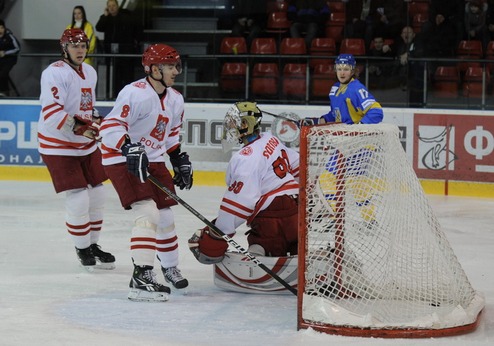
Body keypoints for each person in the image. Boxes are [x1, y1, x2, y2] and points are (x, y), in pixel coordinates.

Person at [99, 43, 193, 302]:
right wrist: (128, 146)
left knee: (165, 216)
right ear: (154, 68)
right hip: (120, 158)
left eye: (176, 66)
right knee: (147, 211)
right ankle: (141, 276)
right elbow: (110, 126)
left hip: (152, 158)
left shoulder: (176, 98)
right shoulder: (135, 93)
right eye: (170, 66)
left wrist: (177, 158)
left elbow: (171, 133)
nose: (176, 71)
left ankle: (170, 267)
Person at [37, 28, 115, 271]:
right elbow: (51, 114)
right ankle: (81, 248)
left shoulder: (89, 71)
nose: (80, 50)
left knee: (98, 194)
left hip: (84, 144)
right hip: (58, 144)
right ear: (64, 48)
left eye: (83, 46)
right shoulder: (54, 73)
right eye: (75, 46)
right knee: (79, 197)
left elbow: (86, 106)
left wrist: (95, 121)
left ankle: (92, 245)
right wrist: (82, 129)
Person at [188, 101, 299, 265]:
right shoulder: (270, 138)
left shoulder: (246, 158)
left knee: (262, 244)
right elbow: (296, 164)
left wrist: (218, 232)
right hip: (296, 209)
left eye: (233, 121)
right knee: (296, 242)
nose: (229, 125)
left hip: (270, 215)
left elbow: (241, 201)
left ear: (246, 124)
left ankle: (259, 258)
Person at [302, 54, 384, 125]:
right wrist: (319, 121)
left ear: (352, 71)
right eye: (339, 69)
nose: (342, 73)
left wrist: (359, 127)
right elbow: (336, 115)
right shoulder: (335, 89)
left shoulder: (356, 88)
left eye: (346, 69)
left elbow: (376, 112)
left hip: (359, 140)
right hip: (343, 137)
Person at [95, 0, 143, 98]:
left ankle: (129, 95)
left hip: (125, 51)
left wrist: (135, 42)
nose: (111, 8)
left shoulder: (126, 17)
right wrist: (105, 15)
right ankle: (114, 95)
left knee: (126, 75)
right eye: (109, 6)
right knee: (114, 77)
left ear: (117, 6)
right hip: (110, 52)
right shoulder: (105, 18)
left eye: (113, 5)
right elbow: (99, 27)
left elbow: (136, 29)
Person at [393, 25, 426, 107]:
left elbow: (420, 52)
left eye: (409, 32)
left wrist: (408, 54)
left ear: (414, 35)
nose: (406, 35)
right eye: (404, 33)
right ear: (401, 35)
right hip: (400, 81)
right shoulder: (399, 46)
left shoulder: (418, 43)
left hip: (416, 80)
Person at [0, 19, 20, 97]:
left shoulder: (9, 36)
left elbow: (17, 48)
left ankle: (4, 93)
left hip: (9, 60)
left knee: (3, 74)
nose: (0, 30)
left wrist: (5, 53)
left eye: (1, 28)